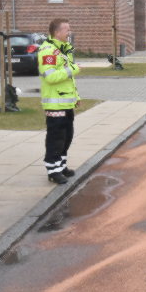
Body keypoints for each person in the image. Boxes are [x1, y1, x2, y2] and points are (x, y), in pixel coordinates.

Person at [38, 18, 81, 185]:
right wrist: (73, 69)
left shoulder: (62, 50)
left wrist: (76, 97)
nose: (69, 33)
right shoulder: (48, 51)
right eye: (66, 30)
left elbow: (68, 81)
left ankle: (61, 166)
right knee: (55, 138)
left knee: (67, 137)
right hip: (55, 104)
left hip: (66, 102)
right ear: (57, 32)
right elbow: (50, 77)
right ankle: (53, 170)